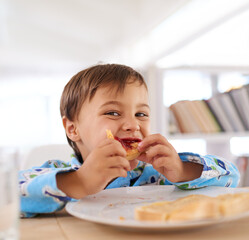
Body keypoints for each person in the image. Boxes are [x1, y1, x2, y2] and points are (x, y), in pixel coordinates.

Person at [19, 64, 240, 217]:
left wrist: (182, 170)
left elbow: (232, 176)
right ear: (72, 128)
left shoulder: (157, 176)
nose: (133, 125)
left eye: (141, 114)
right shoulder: (59, 172)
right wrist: (80, 182)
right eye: (113, 113)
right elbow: (8, 198)